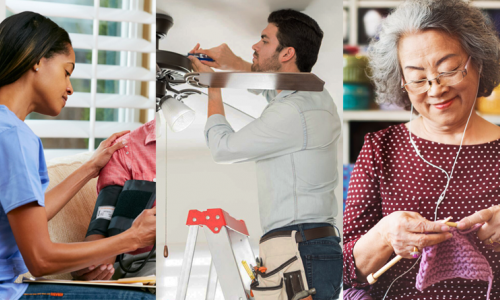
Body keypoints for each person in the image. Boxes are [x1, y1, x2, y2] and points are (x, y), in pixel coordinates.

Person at [343, 0, 500, 299]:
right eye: (417, 78)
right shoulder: (380, 149)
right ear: (402, 81)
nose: (435, 88)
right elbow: (347, 270)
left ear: (477, 61)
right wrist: (385, 235)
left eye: (450, 69)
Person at [0, 12, 156, 300]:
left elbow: (31, 216)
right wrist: (132, 238)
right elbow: (41, 259)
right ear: (37, 60)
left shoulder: (7, 129)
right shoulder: (13, 136)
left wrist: (90, 167)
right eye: (67, 71)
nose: (70, 88)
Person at [189, 9, 342, 299]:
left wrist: (213, 86)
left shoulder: (293, 111)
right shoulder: (312, 98)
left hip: (299, 246)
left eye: (264, 40)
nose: (255, 47)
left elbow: (223, 148)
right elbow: (275, 89)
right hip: (305, 245)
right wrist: (233, 63)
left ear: (287, 53)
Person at [71, 120, 156, 280]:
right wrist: (89, 263)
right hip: (146, 265)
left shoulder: (212, 147)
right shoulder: (126, 149)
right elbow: (101, 230)